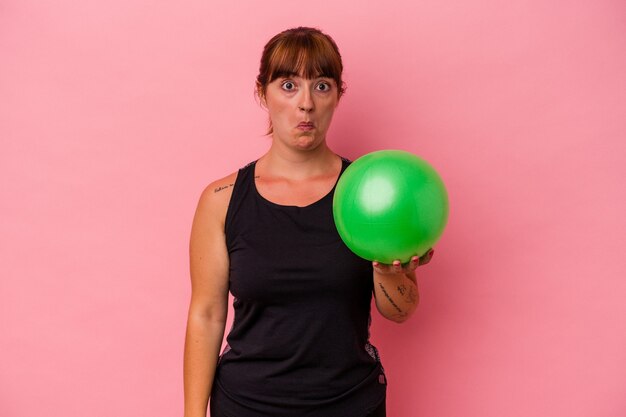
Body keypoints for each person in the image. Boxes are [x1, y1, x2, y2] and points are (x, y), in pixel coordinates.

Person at [183, 27, 434, 417]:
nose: (306, 104)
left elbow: (401, 311)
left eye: (321, 86)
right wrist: (193, 414)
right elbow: (206, 314)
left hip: (350, 404)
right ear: (262, 93)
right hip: (246, 405)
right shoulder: (221, 200)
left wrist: (388, 271)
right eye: (288, 85)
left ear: (338, 95)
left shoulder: (369, 195)